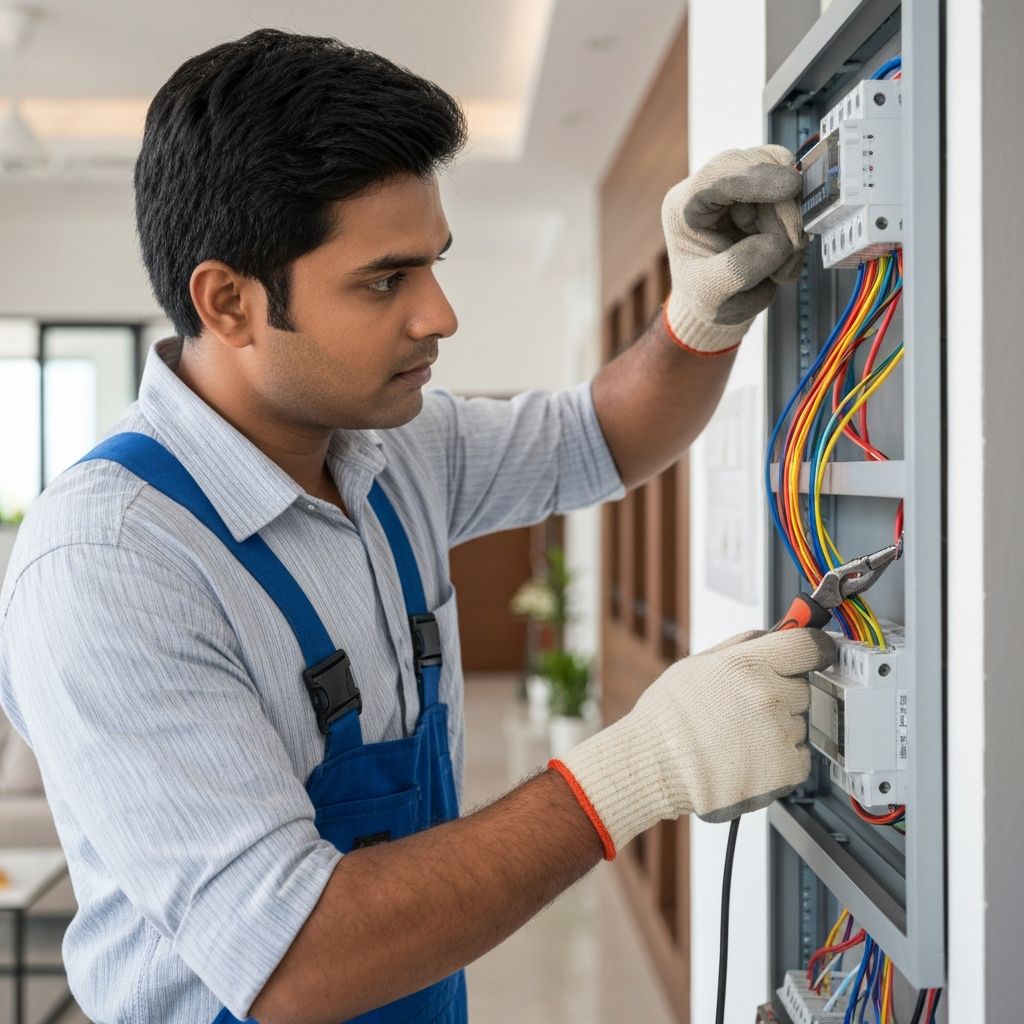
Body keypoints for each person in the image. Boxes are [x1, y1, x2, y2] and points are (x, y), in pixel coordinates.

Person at [0, 28, 833, 1024]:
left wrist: (701, 311)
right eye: (384, 280)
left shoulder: (392, 448)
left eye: (433, 263)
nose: (439, 314)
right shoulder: (113, 564)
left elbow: (598, 435)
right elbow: (294, 959)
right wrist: (637, 769)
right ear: (228, 302)